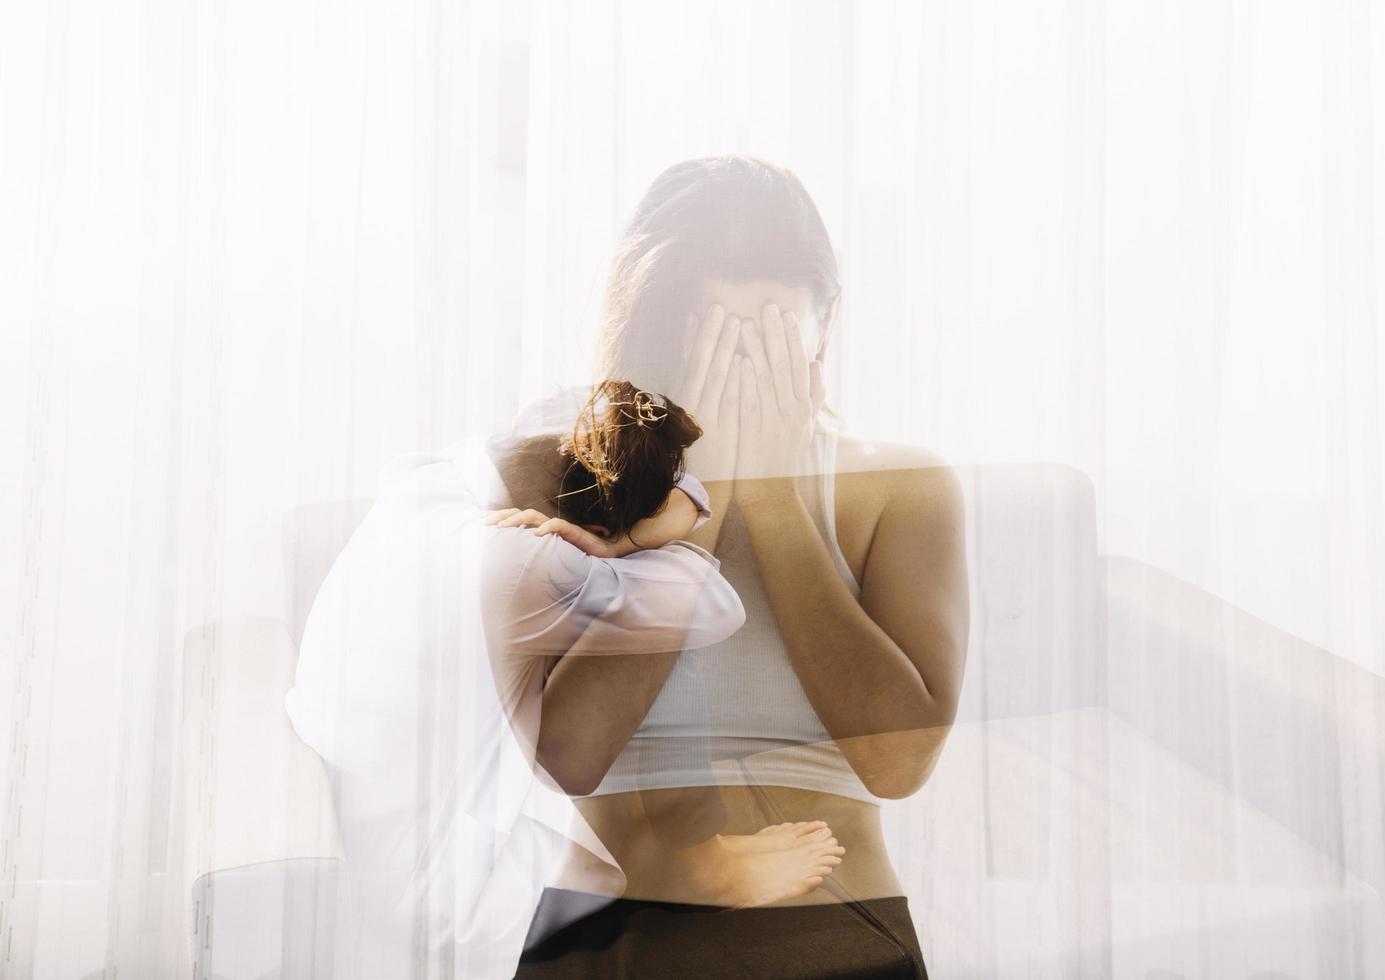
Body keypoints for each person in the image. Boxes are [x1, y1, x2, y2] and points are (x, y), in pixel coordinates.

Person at [510, 157, 971, 979]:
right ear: (657, 338)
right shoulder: (558, 474)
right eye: (716, 338)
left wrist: (775, 497)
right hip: (615, 935)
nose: (743, 368)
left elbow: (897, 765)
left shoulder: (900, 486)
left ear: (821, 331)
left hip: (828, 931)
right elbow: (570, 754)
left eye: (769, 337)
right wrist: (702, 495)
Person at [286, 377, 841, 979]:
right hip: (451, 895)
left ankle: (691, 855)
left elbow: (551, 411)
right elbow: (713, 604)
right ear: (584, 533)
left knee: (578, 699)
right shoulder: (524, 558)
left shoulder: (432, 482)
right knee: (652, 625)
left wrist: (639, 506)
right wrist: (635, 542)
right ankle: (694, 874)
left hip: (386, 818)